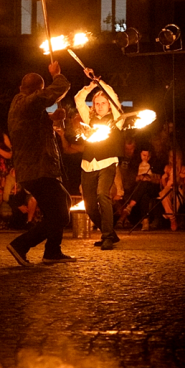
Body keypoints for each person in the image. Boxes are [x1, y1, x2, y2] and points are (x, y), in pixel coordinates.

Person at [7, 61, 75, 266]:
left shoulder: (23, 105)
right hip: (37, 169)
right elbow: (58, 90)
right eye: (41, 91)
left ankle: (52, 251)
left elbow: (36, 124)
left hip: (38, 169)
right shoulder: (27, 102)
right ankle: (21, 245)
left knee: (63, 203)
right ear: (38, 90)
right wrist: (56, 75)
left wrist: (54, 118)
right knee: (60, 215)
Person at [74, 69, 124, 250]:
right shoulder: (89, 118)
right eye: (97, 103)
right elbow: (79, 100)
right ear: (93, 106)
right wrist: (91, 85)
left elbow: (113, 96)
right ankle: (109, 232)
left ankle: (107, 237)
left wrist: (101, 83)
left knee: (103, 195)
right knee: (89, 206)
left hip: (107, 162)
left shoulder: (117, 119)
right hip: (88, 164)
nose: (101, 106)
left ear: (109, 105)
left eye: (104, 103)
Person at [158, 149, 185, 231]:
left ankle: (170, 216)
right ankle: (172, 218)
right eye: (171, 156)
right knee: (163, 195)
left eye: (174, 156)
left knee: (179, 194)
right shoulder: (167, 168)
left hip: (178, 187)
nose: (172, 158)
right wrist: (163, 179)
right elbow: (164, 184)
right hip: (169, 187)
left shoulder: (182, 168)